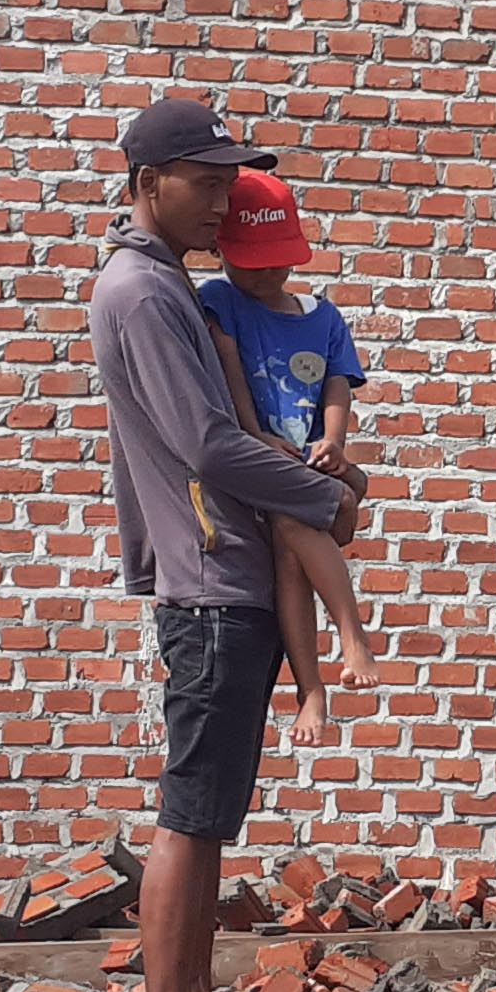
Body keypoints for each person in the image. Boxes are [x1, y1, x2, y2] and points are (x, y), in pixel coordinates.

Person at [88, 95, 367, 992]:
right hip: (211, 583)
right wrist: (324, 498)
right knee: (191, 817)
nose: (220, 203)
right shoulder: (149, 293)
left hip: (223, 576)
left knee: (211, 817)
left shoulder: (166, 283)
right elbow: (207, 444)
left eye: (226, 182)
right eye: (203, 183)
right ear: (145, 181)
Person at [199, 168, 380, 743]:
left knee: (291, 557)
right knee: (287, 525)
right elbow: (229, 374)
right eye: (250, 261)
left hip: (310, 457)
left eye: (278, 260)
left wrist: (334, 442)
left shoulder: (323, 318)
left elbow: (336, 384)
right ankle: (328, 664)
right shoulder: (219, 302)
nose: (266, 273)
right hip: (263, 454)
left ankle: (324, 674)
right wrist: (255, 435)